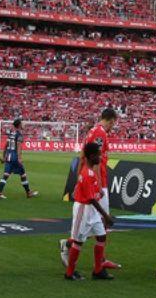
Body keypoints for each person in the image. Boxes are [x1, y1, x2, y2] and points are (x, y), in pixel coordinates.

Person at [62, 107, 121, 271]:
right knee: (99, 222)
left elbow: (83, 156)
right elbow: (95, 161)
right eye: (113, 123)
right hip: (99, 184)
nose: (113, 126)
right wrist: (99, 185)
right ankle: (71, 246)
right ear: (111, 120)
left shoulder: (93, 131)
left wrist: (79, 180)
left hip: (93, 182)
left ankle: (98, 259)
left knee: (94, 225)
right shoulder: (100, 133)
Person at [63, 141, 115, 281]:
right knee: (79, 241)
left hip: (92, 210)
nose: (101, 157)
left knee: (101, 236)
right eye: (98, 155)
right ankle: (69, 272)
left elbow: (94, 197)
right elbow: (90, 199)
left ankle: (98, 270)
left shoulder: (90, 171)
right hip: (84, 210)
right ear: (91, 156)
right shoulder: (87, 174)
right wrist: (106, 215)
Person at [0, 119, 37, 199]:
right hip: (15, 156)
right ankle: (28, 193)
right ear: (19, 125)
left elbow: (6, 145)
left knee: (5, 175)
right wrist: (20, 158)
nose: (23, 125)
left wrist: (4, 156)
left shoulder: (11, 133)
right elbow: (18, 147)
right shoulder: (19, 135)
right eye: (22, 123)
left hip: (9, 156)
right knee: (23, 174)